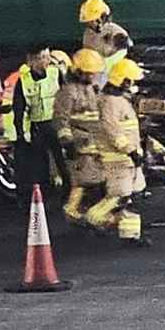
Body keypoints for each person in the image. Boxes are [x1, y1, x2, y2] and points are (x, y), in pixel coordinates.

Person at [84, 58, 150, 247]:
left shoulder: (120, 100)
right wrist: (129, 150)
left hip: (129, 158)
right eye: (131, 80)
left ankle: (131, 234)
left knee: (134, 195)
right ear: (124, 81)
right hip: (118, 158)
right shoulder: (110, 102)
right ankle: (93, 218)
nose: (134, 84)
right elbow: (113, 131)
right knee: (120, 195)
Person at [53, 49, 105, 225]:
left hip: (94, 142)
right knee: (82, 180)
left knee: (95, 178)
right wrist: (67, 143)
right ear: (78, 71)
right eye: (89, 73)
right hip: (79, 144)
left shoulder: (92, 89)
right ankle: (71, 210)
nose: (92, 76)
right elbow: (61, 119)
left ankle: (87, 211)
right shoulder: (67, 92)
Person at [12, 43, 63, 206]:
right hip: (38, 127)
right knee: (39, 165)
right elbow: (19, 110)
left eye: (48, 57)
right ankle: (45, 198)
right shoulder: (23, 82)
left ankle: (67, 194)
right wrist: (22, 132)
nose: (46, 61)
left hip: (56, 125)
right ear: (31, 61)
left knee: (63, 161)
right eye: (42, 58)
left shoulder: (56, 74)